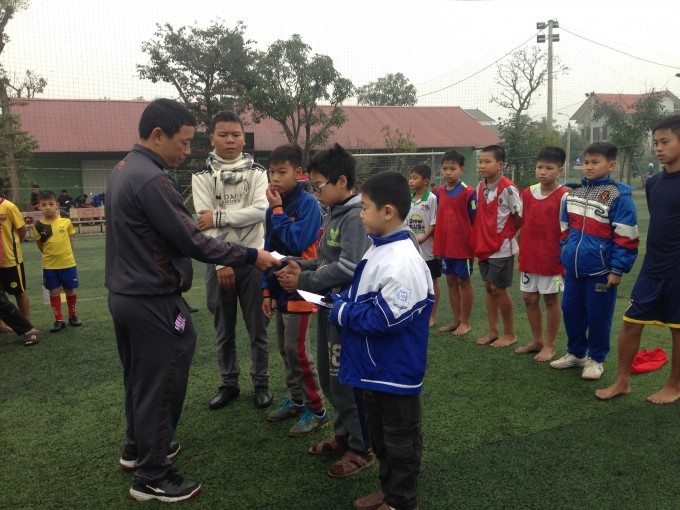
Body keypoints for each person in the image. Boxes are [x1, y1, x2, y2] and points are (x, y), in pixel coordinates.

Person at [105, 99, 279, 503]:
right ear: (158, 135)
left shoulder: (124, 169)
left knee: (139, 379)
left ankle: (137, 450)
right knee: (163, 380)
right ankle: (152, 474)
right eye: (183, 143)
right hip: (152, 300)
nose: (187, 151)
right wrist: (253, 255)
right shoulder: (152, 178)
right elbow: (191, 237)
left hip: (127, 296)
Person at [331, 171, 433, 510]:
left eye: (365, 207)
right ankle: (390, 494)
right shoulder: (380, 248)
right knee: (382, 440)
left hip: (395, 372)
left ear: (387, 212)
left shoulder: (403, 259)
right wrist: (344, 299)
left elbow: (387, 318)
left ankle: (403, 502)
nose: (360, 214)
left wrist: (342, 312)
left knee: (401, 443)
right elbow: (365, 293)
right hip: (374, 368)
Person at [277, 144, 374, 478]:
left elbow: (349, 268)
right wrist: (299, 264)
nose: (315, 193)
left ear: (342, 181)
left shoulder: (357, 216)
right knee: (332, 381)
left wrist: (302, 278)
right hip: (328, 306)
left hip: (348, 314)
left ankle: (361, 448)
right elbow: (326, 260)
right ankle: (344, 435)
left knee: (346, 382)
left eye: (319, 186)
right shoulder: (334, 211)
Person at [595, 116, 680, 402]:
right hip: (652, 267)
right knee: (631, 322)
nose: (658, 148)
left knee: (678, 330)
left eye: (665, 142)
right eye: (655, 142)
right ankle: (622, 382)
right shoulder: (654, 183)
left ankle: (674, 386)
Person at [192, 110, 272, 410]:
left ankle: (261, 383)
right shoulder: (201, 175)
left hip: (255, 259)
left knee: (257, 328)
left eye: (236, 135)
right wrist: (221, 263)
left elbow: (260, 211)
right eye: (223, 134)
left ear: (243, 138)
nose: (230, 140)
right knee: (223, 330)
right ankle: (229, 383)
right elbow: (204, 221)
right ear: (212, 138)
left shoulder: (257, 171)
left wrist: (221, 215)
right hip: (219, 263)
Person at [551, 142, 639, 380]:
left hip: (601, 271)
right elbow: (564, 229)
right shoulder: (573, 194)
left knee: (598, 315)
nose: (588, 167)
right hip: (574, 269)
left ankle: (596, 359)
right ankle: (576, 353)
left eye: (595, 162)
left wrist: (617, 269)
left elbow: (626, 236)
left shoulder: (618, 197)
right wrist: (565, 256)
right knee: (570, 310)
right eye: (585, 162)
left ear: (611, 165)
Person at [261, 143, 327, 436]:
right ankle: (298, 400)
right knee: (284, 350)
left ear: (298, 173)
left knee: (298, 350)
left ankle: (318, 410)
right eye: (271, 172)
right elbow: (268, 250)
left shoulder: (309, 204)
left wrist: (276, 210)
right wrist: (266, 291)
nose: (275, 178)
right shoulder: (272, 208)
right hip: (279, 287)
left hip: (302, 286)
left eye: (282, 172)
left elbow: (299, 242)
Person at [514, 147, 569, 362]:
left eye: (549, 168)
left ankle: (550, 345)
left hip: (551, 259)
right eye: (539, 167)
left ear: (560, 170)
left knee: (550, 300)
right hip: (529, 255)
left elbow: (567, 230)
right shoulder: (527, 193)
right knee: (528, 298)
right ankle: (536, 340)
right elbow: (523, 222)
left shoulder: (564, 196)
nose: (543, 172)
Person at [470, 145, 522, 348]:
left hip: (503, 246)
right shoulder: (479, 187)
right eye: (480, 161)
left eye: (487, 161)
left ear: (500, 165)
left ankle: (510, 333)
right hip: (484, 245)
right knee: (488, 287)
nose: (482, 166)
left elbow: (519, 218)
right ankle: (493, 331)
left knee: (498, 289)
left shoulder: (509, 189)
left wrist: (509, 236)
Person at [432, 150, 477, 336]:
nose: (448, 172)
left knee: (463, 281)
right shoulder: (439, 192)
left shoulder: (469, 193)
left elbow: (475, 220)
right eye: (445, 168)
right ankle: (456, 320)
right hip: (446, 247)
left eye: (452, 168)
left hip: (463, 247)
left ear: (462, 169)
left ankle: (465, 322)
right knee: (450, 281)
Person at [33, 190, 83, 332]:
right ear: (38, 206)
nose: (47, 207)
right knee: (54, 292)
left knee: (69, 290)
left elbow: (71, 242)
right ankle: (58, 319)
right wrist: (51, 256)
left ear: (57, 205)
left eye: (51, 204)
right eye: (43, 205)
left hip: (67, 263)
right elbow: (40, 246)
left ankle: (73, 315)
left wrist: (67, 256)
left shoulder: (66, 222)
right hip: (50, 266)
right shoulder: (37, 226)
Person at [406, 163, 439, 327]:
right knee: (415, 279)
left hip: (428, 249)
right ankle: (417, 310)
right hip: (413, 248)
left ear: (425, 181)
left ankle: (432, 315)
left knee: (432, 281)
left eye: (414, 178)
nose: (411, 181)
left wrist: (424, 238)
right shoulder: (409, 199)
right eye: (410, 177)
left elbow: (434, 222)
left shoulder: (432, 199)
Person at [0, 178, 31, 321]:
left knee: (19, 292)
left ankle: (27, 325)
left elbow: (22, 230)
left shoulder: (9, 207)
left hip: (10, 260)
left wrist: (13, 246)